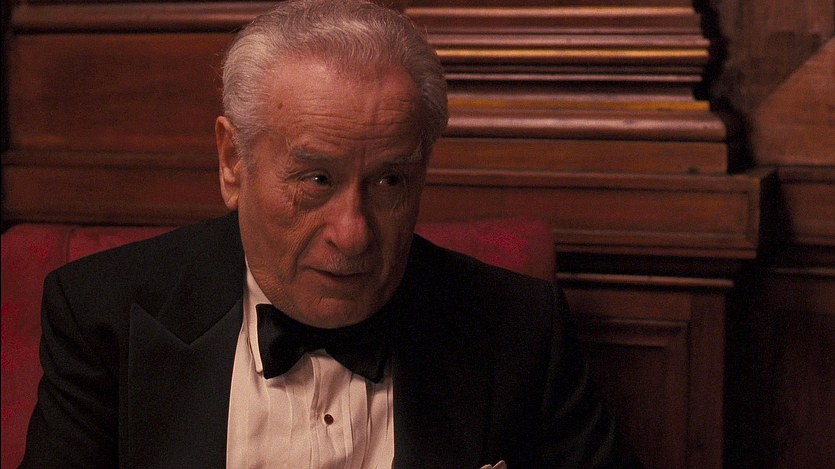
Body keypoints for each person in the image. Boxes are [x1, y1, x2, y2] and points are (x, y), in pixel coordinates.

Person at [21, 0, 641, 467]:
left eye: (389, 181)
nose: (353, 235)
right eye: (317, 179)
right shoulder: (104, 314)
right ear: (233, 162)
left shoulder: (520, 328)